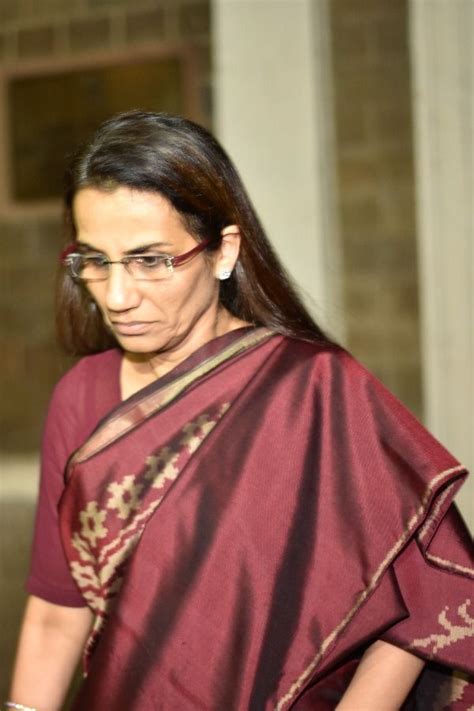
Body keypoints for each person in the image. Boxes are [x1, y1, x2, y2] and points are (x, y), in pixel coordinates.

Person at [8, 110, 473, 711]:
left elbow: (419, 595)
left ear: (223, 251)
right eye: (95, 260)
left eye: (150, 260)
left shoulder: (313, 391)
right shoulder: (81, 396)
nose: (116, 296)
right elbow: (57, 612)